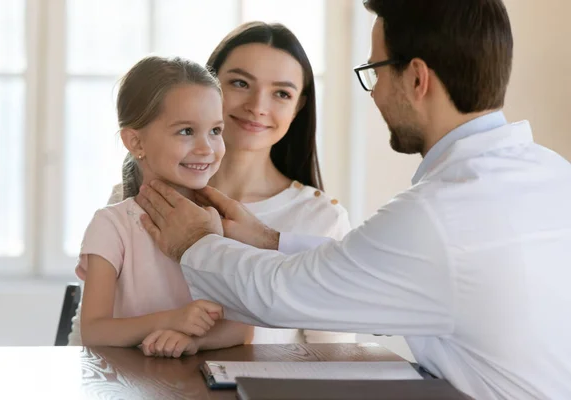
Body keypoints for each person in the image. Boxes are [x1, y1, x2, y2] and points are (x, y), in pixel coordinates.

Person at [134, 1, 571, 399]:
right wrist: (272, 239)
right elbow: (377, 272)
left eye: (376, 71)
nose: (376, 91)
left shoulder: (437, 214)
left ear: (417, 79)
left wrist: (194, 241)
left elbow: (281, 294)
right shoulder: (553, 174)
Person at [71, 22, 355, 345]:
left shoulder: (323, 219)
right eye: (239, 83)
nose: (258, 106)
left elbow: (333, 360)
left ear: (298, 106)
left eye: (281, 93)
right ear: (212, 84)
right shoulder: (130, 201)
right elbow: (86, 336)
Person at [74, 55, 249, 357]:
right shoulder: (111, 226)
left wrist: (194, 341)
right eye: (186, 131)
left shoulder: (228, 221)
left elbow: (242, 328)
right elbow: (94, 330)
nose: (206, 148)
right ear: (135, 142)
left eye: (215, 131)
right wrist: (171, 320)